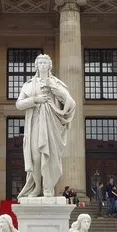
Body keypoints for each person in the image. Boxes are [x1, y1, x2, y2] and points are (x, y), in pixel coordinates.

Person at [15, 54, 77, 198]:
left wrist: (54, 89)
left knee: (49, 157)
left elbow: (70, 101)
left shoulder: (56, 83)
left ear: (50, 66)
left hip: (51, 123)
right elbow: (19, 104)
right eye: (40, 63)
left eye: (45, 62)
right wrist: (35, 99)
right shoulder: (29, 84)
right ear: (36, 66)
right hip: (35, 122)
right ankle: (37, 187)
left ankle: (48, 187)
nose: (42, 65)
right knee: (36, 156)